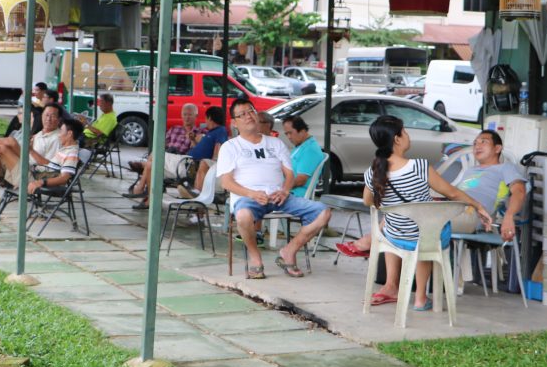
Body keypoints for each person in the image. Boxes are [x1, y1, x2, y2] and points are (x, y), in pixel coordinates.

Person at [361, 115, 492, 310]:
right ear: (397, 139)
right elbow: (453, 193)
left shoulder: (373, 172)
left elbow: (367, 201)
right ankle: (421, 297)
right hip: (422, 237)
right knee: (428, 232)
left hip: (396, 237)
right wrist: (479, 206)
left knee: (394, 225)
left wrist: (393, 207)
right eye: (404, 131)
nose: (407, 135)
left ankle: (392, 285)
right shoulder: (420, 167)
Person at [338, 129, 527, 259]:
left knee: (410, 216)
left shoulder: (505, 168)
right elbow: (451, 192)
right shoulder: (470, 171)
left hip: (472, 216)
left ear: (497, 148)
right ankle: (388, 274)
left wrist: (509, 216)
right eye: (475, 142)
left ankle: (371, 242)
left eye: (483, 142)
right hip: (453, 210)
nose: (477, 146)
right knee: (403, 211)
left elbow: (519, 191)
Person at [217, 99, 332, 279]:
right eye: (242, 114)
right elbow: (226, 182)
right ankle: (255, 258)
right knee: (242, 216)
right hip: (249, 198)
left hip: (280, 196)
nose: (248, 116)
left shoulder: (276, 143)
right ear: (234, 122)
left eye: (251, 111)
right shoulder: (230, 147)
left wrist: (285, 190)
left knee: (323, 212)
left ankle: (289, 251)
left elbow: (290, 174)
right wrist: (251, 193)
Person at [0, 117, 84, 231]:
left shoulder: (72, 153)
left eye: (61, 131)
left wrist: (40, 182)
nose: (59, 135)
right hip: (33, 170)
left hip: (33, 178)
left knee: (1, 149)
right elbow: (48, 165)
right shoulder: (64, 149)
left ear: (70, 134)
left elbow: (64, 178)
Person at [125, 104, 224, 209]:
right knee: (151, 164)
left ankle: (141, 184)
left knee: (154, 157)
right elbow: (162, 144)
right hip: (171, 158)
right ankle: (149, 199)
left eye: (190, 115)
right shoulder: (174, 129)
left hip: (182, 161)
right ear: (181, 115)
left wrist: (193, 139)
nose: (187, 117)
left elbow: (204, 151)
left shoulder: (202, 132)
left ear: (196, 116)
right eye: (185, 114)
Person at [281, 116, 325, 196]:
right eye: (286, 134)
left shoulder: (310, 150)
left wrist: (280, 188)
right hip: (288, 192)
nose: (289, 137)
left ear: (302, 131)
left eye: (290, 133)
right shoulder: (301, 145)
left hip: (294, 195)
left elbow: (300, 180)